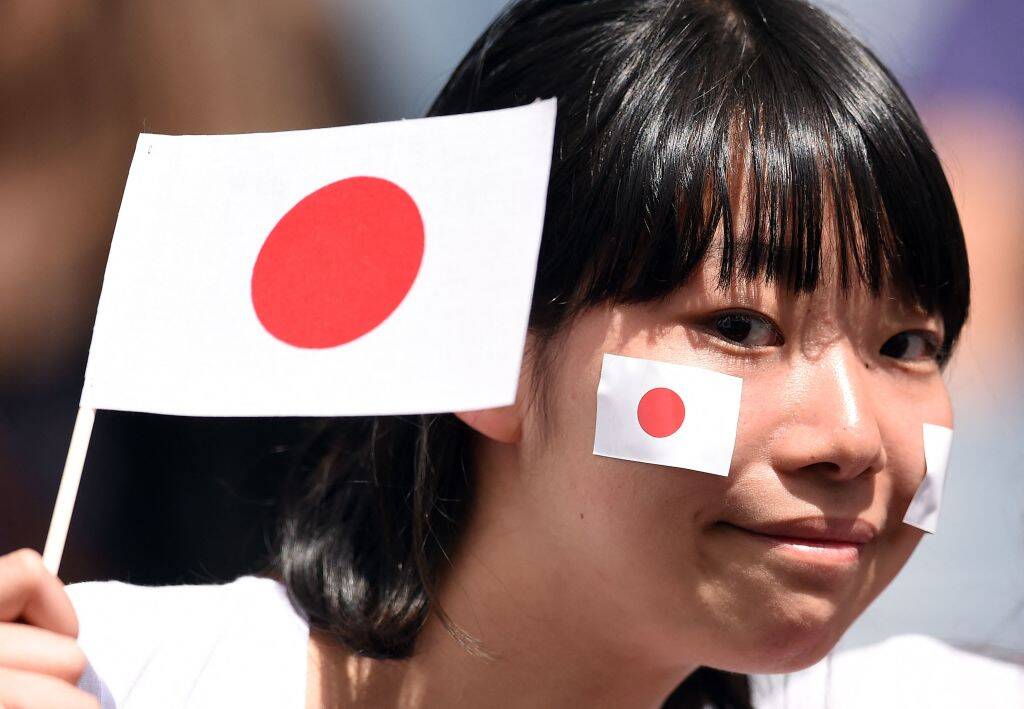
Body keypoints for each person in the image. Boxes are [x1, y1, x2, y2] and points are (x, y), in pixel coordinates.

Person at [2, 0, 1016, 706]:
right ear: (483, 340)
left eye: (907, 343)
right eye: (739, 326)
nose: (851, 437)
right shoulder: (93, 676)